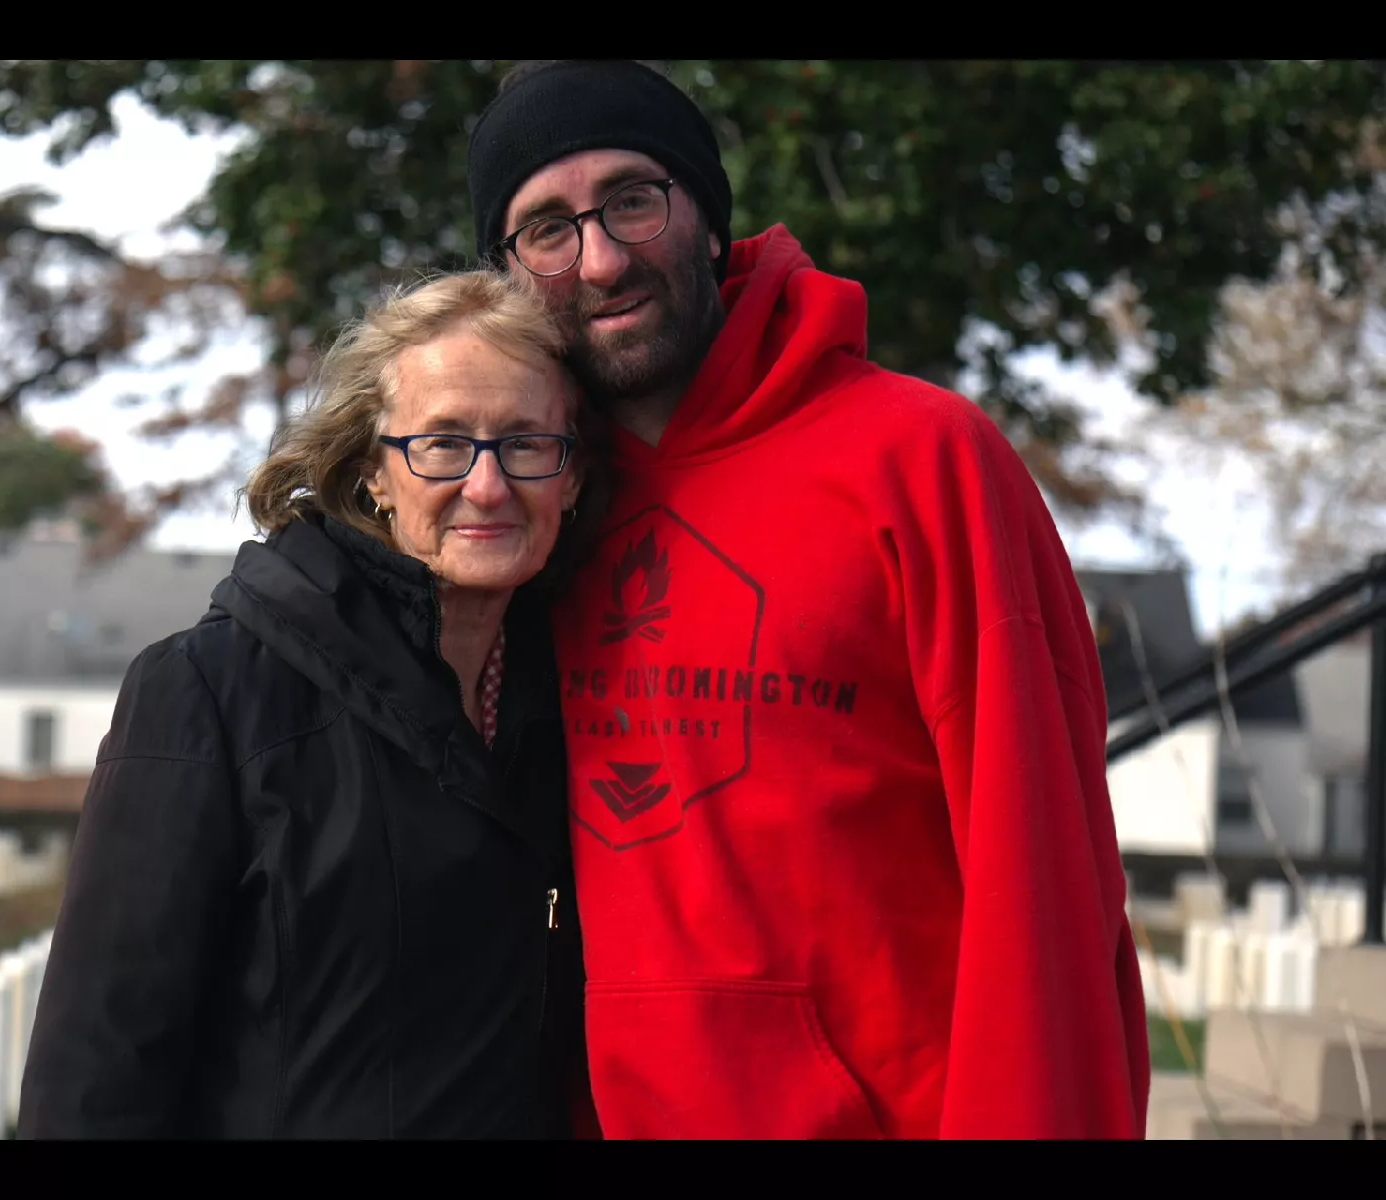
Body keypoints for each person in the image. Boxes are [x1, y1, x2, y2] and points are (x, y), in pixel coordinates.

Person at [463, 58, 1151, 1140]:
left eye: (633, 199)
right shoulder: (523, 511)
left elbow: (1044, 887)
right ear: (506, 271)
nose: (600, 259)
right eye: (546, 228)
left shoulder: (921, 461)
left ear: (706, 215)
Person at [14, 269, 596, 1139]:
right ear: (373, 473)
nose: (487, 485)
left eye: (526, 443)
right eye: (442, 443)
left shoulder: (578, 698)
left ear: (571, 476)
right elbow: (96, 1079)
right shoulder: (206, 691)